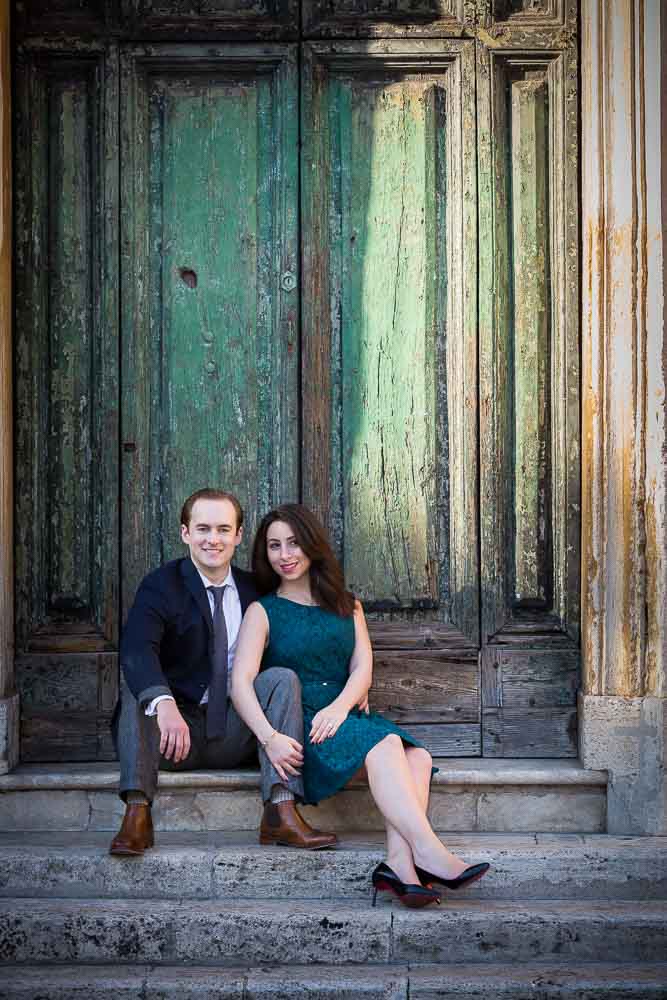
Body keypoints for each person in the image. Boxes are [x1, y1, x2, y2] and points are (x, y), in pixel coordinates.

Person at [231, 504, 490, 908]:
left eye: (294, 543)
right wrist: (269, 738)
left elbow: (362, 667)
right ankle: (427, 849)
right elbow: (240, 684)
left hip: (341, 714)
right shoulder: (263, 611)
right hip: (306, 727)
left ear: (312, 546)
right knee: (387, 746)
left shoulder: (347, 605)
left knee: (419, 756)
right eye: (274, 546)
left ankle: (399, 864)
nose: (285, 555)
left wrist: (339, 707)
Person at [109, 488, 337, 856]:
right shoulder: (160, 586)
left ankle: (280, 810)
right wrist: (164, 704)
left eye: (222, 529)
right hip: (174, 737)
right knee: (138, 688)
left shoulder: (254, 589)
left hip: (237, 732)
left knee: (281, 678)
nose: (212, 539)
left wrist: (351, 683)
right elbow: (138, 650)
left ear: (238, 535)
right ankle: (136, 812)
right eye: (202, 529)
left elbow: (304, 629)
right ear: (186, 533)